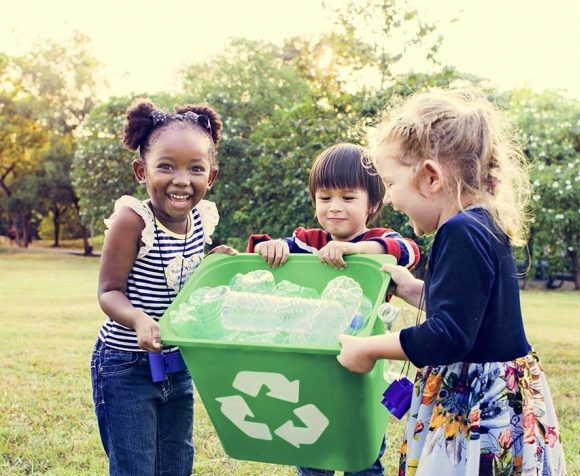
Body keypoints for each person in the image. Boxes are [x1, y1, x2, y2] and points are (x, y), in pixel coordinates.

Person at [336, 90, 567, 475]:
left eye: (391, 184)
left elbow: (448, 335)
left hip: (478, 406)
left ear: (430, 177)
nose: (390, 199)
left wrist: (368, 348)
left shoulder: (459, 231)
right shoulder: (481, 222)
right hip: (500, 392)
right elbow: (467, 312)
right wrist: (410, 287)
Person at [246, 142, 420, 476]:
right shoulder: (309, 242)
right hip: (311, 359)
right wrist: (272, 246)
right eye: (325, 198)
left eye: (348, 198)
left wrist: (357, 249)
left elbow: (407, 250)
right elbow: (275, 250)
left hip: (363, 365)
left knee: (361, 450)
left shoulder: (380, 238)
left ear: (373, 204)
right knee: (312, 443)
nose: (334, 208)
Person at [91, 99, 236, 475]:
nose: (181, 180)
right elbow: (109, 291)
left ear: (212, 176)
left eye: (195, 169)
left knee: (176, 461)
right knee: (136, 466)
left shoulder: (202, 219)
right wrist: (139, 320)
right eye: (166, 166)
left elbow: (183, 282)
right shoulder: (132, 220)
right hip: (126, 366)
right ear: (142, 170)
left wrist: (213, 264)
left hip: (178, 364)